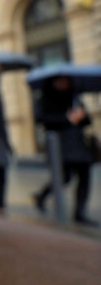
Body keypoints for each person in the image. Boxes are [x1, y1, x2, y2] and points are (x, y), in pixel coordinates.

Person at [32, 75, 99, 227]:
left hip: (79, 143)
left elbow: (87, 121)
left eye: (66, 81)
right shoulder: (44, 99)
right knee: (64, 177)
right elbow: (41, 119)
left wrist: (82, 116)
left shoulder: (75, 98)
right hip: (60, 145)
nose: (64, 84)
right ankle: (42, 196)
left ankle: (80, 213)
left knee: (84, 178)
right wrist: (66, 119)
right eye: (60, 81)